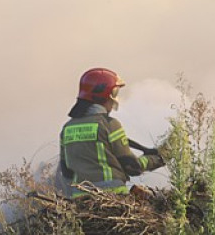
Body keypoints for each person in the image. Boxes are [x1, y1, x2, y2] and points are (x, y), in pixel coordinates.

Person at [58, 68, 165, 199]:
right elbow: (132, 167)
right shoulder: (109, 124)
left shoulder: (67, 128)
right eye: (115, 92)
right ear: (104, 94)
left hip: (79, 199)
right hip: (112, 197)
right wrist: (157, 160)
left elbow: (66, 172)